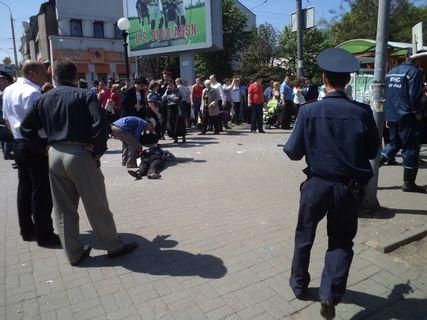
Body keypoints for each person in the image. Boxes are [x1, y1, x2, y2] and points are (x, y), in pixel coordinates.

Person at [283, 48, 380, 320]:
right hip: (349, 188)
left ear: (324, 78)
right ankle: (329, 293)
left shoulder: (309, 111)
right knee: (340, 241)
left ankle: (299, 286)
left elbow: (293, 152)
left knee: (304, 236)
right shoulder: (363, 112)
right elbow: (373, 152)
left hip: (316, 186)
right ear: (347, 81)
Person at [20, 59, 137, 266]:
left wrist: (43, 147)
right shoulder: (85, 95)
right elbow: (100, 124)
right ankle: (113, 246)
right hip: (80, 153)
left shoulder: (43, 98)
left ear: (54, 77)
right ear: (76, 77)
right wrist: (98, 152)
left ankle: (73, 253)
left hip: (55, 154)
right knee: (96, 203)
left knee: (63, 207)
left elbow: (25, 128)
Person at [2, 61, 60, 247]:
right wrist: (45, 144)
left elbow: (6, 119)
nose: (46, 77)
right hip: (35, 144)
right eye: (43, 73)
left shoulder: (9, 90)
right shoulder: (33, 93)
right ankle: (45, 234)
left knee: (24, 188)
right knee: (41, 191)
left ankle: (26, 230)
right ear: (32, 73)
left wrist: (16, 137)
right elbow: (40, 123)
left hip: (19, 143)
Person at [380, 55, 426, 193]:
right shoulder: (415, 72)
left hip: (393, 114)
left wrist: (388, 115)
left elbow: (388, 94)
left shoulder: (393, 71)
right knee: (411, 148)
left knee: (393, 144)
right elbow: (414, 94)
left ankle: (368, 172)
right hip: (407, 116)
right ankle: (409, 183)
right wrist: (417, 112)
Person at [0, 71, 15, 160]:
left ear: (8, 81)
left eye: (2, 81)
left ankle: (8, 153)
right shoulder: (2, 94)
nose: (0, 83)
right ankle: (7, 153)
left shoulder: (12, 93)